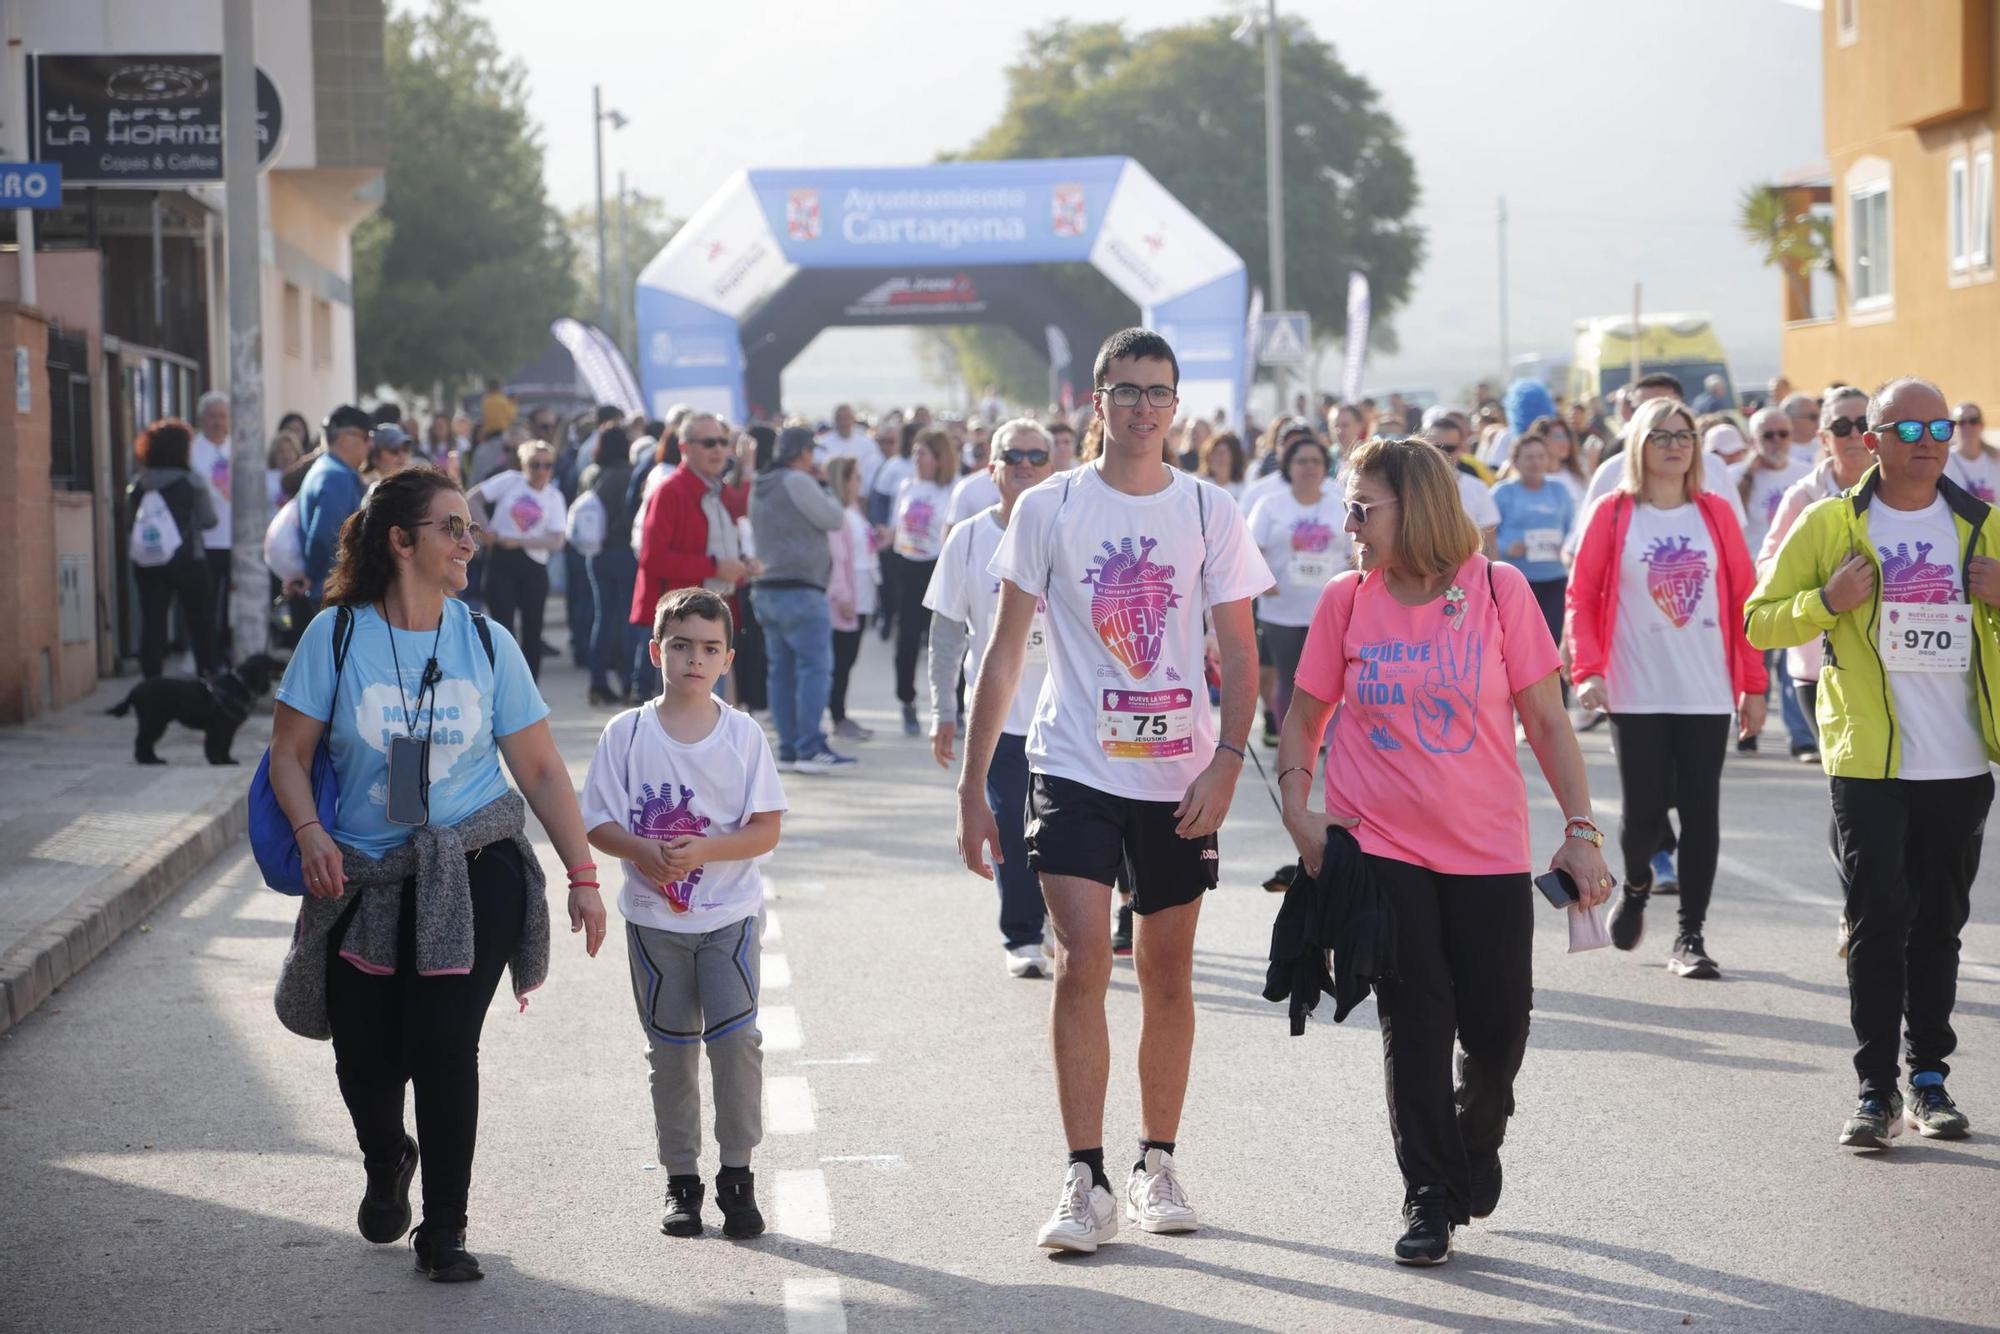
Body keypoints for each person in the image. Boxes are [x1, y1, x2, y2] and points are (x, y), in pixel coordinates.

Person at [955, 328, 1273, 1254]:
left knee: (1167, 972)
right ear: (1095, 404)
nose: (1142, 407)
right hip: (1074, 767)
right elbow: (1005, 654)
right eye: (1125, 391)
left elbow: (1243, 653)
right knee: (1083, 958)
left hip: (1180, 776)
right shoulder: (1048, 508)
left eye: (1158, 392)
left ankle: (1156, 1163)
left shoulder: (1210, 510)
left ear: (1177, 406)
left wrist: (1226, 762)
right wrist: (975, 787)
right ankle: (1083, 1178)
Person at [1275, 435, 1612, 1265]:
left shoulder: (1497, 592)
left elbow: (1545, 720)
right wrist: (1298, 809)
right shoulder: (1348, 602)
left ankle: (1477, 1134)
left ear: (1415, 505)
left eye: (1363, 508)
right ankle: (1427, 1194)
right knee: (1416, 1022)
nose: (1347, 524)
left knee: (1499, 1027)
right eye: (1347, 507)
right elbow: (1305, 718)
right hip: (1380, 847)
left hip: (1488, 849)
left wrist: (1580, 830)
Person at [268, 468, 606, 1283]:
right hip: (361, 876)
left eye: (470, 527)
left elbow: (543, 771)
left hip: (474, 864)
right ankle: (388, 1160)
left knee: (444, 1041)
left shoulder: (486, 642)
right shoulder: (337, 636)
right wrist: (310, 831)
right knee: (365, 1056)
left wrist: (583, 874)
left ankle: (444, 1230)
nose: (469, 541)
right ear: (401, 540)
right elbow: (288, 753)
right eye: (452, 526)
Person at [1748, 377, 1997, 1149]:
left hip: (1959, 762)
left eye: (1939, 427)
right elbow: (1760, 620)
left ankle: (1930, 1080)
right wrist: (1826, 600)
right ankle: (1873, 1089)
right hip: (1868, 761)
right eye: (1908, 428)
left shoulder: (1984, 527)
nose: (1927, 441)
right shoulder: (1832, 523)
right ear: (1873, 439)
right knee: (1876, 920)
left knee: (1940, 927)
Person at [581, 586, 786, 1239]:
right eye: (680, 646)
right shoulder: (628, 733)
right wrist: (642, 849)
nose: (693, 659)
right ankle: (681, 1180)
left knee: (736, 1046)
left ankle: (737, 1175)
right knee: (670, 1054)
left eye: (708, 648)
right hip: (654, 925)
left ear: (726, 659)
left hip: (727, 919)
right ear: (656, 651)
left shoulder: (743, 735)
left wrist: (706, 849)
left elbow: (765, 829)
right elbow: (598, 822)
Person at [1567, 397, 1767, 979]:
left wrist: (1753, 684)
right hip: (1637, 687)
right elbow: (1582, 596)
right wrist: (1589, 670)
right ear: (1638, 445)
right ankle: (1634, 883)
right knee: (1645, 811)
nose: (1675, 444)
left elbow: (1742, 600)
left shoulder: (1715, 513)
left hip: (1706, 689)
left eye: (1685, 435)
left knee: (1703, 810)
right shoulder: (1613, 512)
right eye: (1661, 435)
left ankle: (1690, 935)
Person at [925, 420, 1057, 977]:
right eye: (1013, 455)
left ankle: (1059, 918)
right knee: (1008, 827)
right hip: (999, 716)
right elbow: (947, 632)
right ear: (992, 467)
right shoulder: (970, 538)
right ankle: (1022, 936)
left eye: (1036, 455)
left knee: (1060, 831)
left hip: (1067, 714)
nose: (1025, 464)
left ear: (1052, 467)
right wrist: (943, 710)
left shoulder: (1066, 529)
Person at [749, 426, 853, 774]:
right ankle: (809, 745)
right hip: (801, 588)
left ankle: (790, 746)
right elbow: (834, 517)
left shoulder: (760, 484)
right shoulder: (798, 481)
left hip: (767, 588)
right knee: (814, 670)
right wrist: (824, 484)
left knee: (781, 672)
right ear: (803, 452)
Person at [631, 413, 746, 697]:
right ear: (685, 448)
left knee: (714, 715)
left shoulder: (717, 489)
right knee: (678, 718)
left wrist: (741, 567)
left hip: (714, 618)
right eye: (709, 443)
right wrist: (714, 567)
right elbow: (652, 558)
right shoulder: (670, 492)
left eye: (722, 442)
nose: (718, 449)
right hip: (679, 623)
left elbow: (741, 513)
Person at [1245, 431, 1352, 730]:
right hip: (1282, 609)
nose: (1309, 467)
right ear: (1288, 467)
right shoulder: (1269, 504)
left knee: (1330, 679)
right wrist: (1264, 581)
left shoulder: (1338, 503)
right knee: (1288, 676)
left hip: (1329, 609)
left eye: (1316, 461)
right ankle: (1289, 743)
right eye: (1301, 461)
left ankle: (1328, 742)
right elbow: (1248, 550)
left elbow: (1354, 552)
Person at [126, 418, 223, 679]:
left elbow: (129, 523)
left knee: (153, 624)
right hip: (189, 560)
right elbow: (209, 520)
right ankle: (208, 680)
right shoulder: (192, 481)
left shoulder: (138, 484)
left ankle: (152, 684)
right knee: (201, 624)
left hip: (148, 563)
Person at [469, 441, 568, 680]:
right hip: (501, 560)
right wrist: (485, 530)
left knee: (533, 628)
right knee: (502, 627)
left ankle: (530, 686)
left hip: (533, 564)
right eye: (535, 464)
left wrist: (521, 541)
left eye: (547, 465)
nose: (541, 471)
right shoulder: (511, 481)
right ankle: (502, 681)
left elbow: (557, 540)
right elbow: (472, 498)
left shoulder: (554, 496)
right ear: (524, 465)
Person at [890, 429, 956, 735]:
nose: (916, 459)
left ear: (939, 458)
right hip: (906, 567)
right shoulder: (906, 486)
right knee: (905, 640)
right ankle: (907, 701)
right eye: (915, 452)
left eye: (923, 454)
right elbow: (895, 528)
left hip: (938, 567)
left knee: (945, 641)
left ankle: (953, 706)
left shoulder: (951, 489)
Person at [1490, 434, 1575, 647]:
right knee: (1523, 640)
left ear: (1548, 459)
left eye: (1540, 456)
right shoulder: (1502, 492)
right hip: (1517, 579)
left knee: (1554, 638)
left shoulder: (1559, 490)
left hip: (1556, 578)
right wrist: (1506, 547)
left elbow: (1572, 529)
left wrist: (1566, 548)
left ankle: (1558, 681)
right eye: (1529, 457)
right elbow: (1484, 534)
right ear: (1516, 461)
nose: (1535, 462)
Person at [580, 427, 636, 705]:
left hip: (595, 552)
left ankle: (598, 682)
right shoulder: (627, 475)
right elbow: (629, 515)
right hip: (623, 551)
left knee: (602, 619)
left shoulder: (590, 473)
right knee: (627, 619)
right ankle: (628, 683)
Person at [824, 457, 878, 743]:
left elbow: (860, 548)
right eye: (855, 476)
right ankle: (837, 716)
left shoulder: (854, 510)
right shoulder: (836, 513)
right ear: (843, 480)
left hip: (863, 591)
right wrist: (842, 595)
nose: (859, 481)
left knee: (848, 658)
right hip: (846, 596)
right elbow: (836, 558)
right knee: (841, 660)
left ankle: (841, 714)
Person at [299, 406, 374, 603]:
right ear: (344, 437)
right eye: (366, 437)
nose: (370, 446)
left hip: (325, 587)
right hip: (331, 589)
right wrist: (314, 576)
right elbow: (326, 536)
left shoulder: (324, 468)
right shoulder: (336, 476)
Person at [190, 391, 236, 658]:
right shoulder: (192, 450)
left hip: (235, 540)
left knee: (231, 605)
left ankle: (227, 651)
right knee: (205, 604)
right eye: (212, 417)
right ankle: (206, 656)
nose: (218, 422)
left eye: (222, 416)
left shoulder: (238, 449)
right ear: (202, 419)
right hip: (205, 541)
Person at [1420, 413, 1499, 549]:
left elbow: (1489, 544)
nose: (1442, 453)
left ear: (1462, 447)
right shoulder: (1408, 486)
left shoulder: (1477, 488)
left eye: (1449, 448)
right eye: (1435, 447)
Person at [1945, 400, 1998, 501]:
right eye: (1962, 422)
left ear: (1981, 425)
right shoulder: (1945, 460)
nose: (1968, 427)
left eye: (1973, 421)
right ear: (1954, 428)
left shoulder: (1996, 458)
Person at [1198, 430, 1248, 504]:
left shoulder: (1243, 489)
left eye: (1222, 453)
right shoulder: (1199, 485)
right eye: (1214, 453)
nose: (1217, 458)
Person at [1781, 390, 1823, 467]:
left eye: (1820, 416)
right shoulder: (1777, 452)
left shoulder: (1826, 447)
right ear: (1790, 420)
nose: (1819, 421)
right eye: (1813, 417)